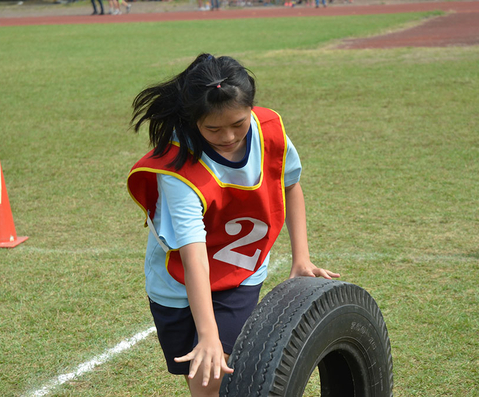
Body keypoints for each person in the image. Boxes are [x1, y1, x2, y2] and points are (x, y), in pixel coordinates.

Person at [127, 53, 340, 397]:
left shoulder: (269, 130)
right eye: (213, 128)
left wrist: (301, 257)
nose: (228, 136)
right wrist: (207, 334)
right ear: (194, 119)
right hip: (176, 281)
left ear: (251, 108)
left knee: (211, 382)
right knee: (201, 376)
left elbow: (290, 184)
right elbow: (193, 253)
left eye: (238, 124)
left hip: (239, 272)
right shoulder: (178, 168)